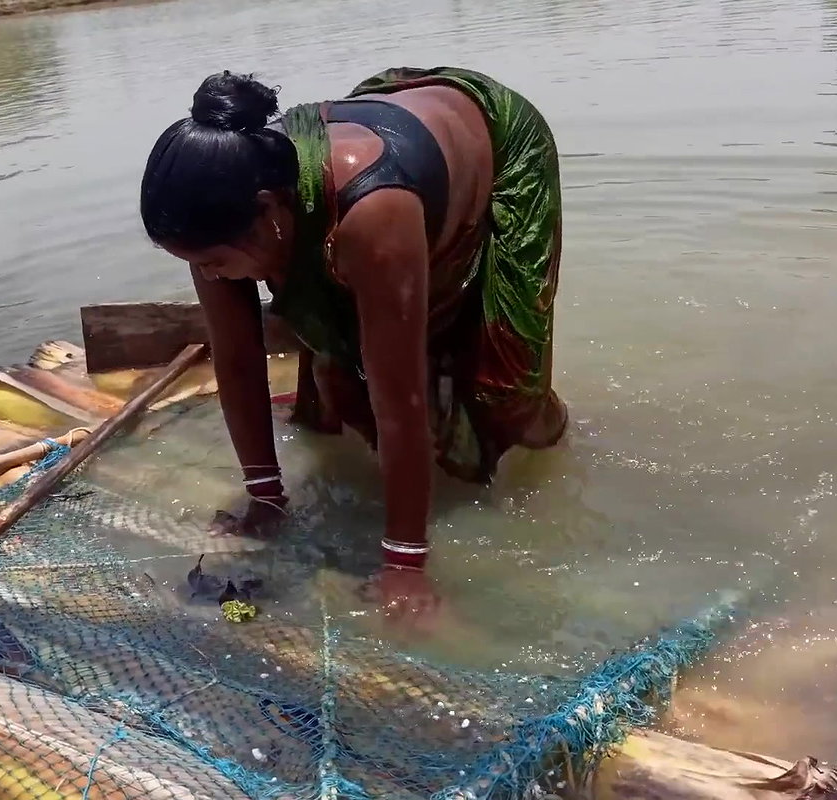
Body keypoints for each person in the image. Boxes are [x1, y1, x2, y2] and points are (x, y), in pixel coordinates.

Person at [139, 67, 566, 627]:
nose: (209, 277)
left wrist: (405, 564)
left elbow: (402, 401)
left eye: (214, 262)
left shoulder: (372, 214)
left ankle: (554, 429)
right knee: (343, 389)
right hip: (380, 148)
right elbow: (237, 358)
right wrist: (265, 496)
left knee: (504, 393)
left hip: (494, 145)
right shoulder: (217, 224)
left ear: (268, 213)